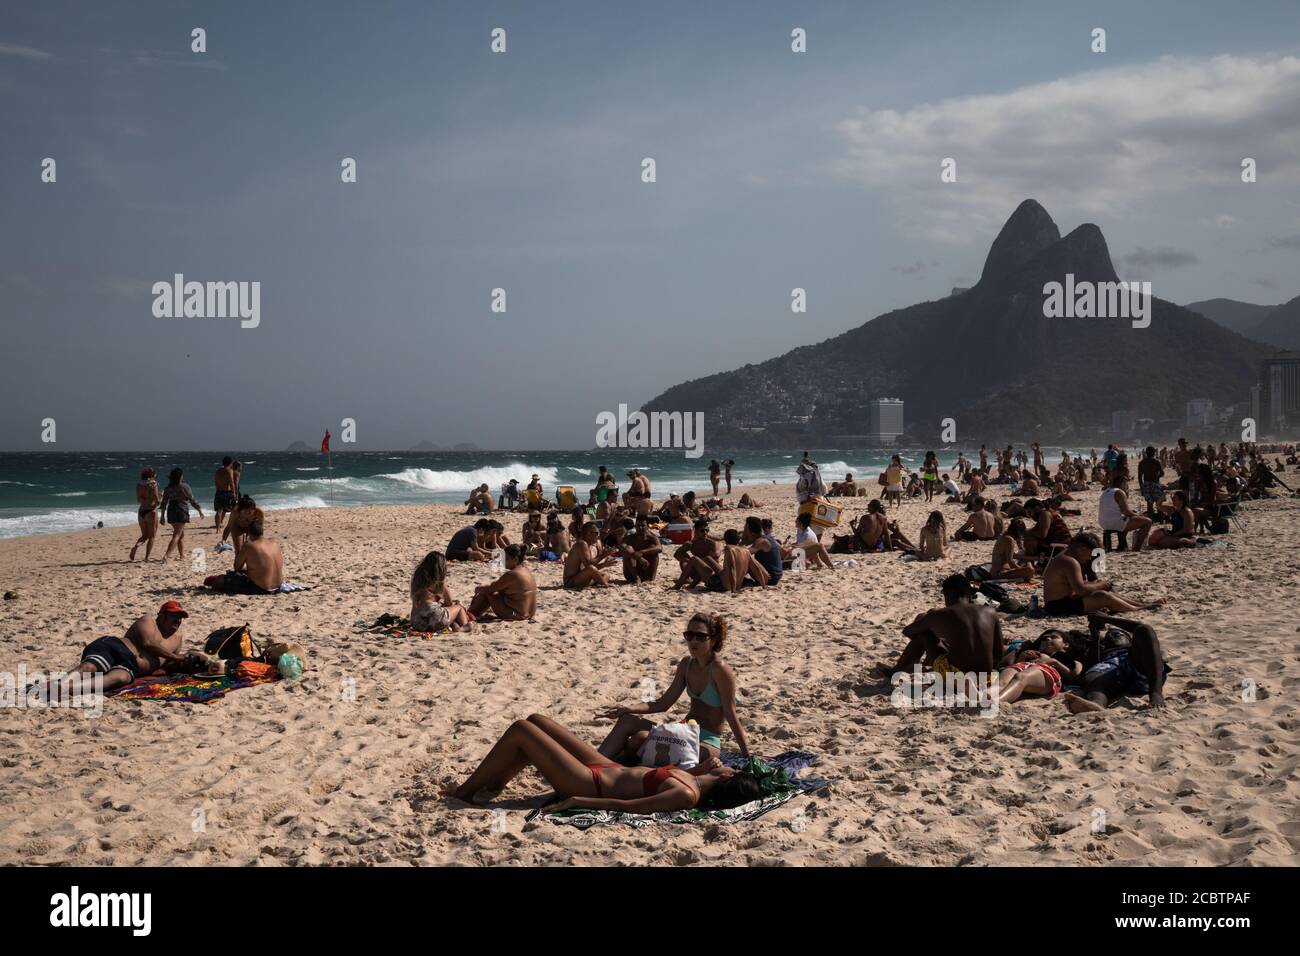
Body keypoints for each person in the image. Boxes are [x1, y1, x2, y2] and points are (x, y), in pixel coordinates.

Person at [451, 713, 762, 814]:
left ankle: (465, 793)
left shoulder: (687, 795)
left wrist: (575, 801)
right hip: (605, 767)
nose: (728, 764)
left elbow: (628, 806)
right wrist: (703, 767)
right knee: (537, 721)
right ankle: (496, 782)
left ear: (729, 778)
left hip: (591, 783)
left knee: (522, 730)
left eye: (732, 769)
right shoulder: (693, 779)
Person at [597, 612, 750, 766]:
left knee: (642, 739)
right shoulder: (686, 664)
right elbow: (663, 703)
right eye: (689, 635)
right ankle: (593, 763)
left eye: (700, 636)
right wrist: (628, 708)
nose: (693, 641)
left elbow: (731, 714)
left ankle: (618, 762)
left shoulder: (719, 669)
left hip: (707, 741)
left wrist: (747, 755)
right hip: (683, 730)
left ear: (713, 640)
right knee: (627, 721)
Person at [871, 574, 1002, 682]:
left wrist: (937, 640)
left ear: (946, 595)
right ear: (969, 594)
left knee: (923, 634)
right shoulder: (990, 612)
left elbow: (908, 631)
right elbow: (998, 654)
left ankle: (896, 671)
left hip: (956, 677)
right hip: (987, 677)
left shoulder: (941, 613)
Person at [68, 601, 201, 692]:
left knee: (120, 678)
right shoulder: (148, 621)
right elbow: (148, 644)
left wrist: (184, 664)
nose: (178, 620)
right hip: (116, 648)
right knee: (89, 667)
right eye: (174, 616)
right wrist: (175, 657)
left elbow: (169, 664)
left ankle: (68, 688)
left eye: (180, 617)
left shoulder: (177, 638)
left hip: (131, 665)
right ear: (161, 616)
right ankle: (59, 683)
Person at [1063, 612, 1170, 712]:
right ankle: (1096, 704)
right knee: (1092, 677)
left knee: (1146, 630)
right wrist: (1096, 637)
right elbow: (1089, 666)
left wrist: (1106, 618)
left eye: (1118, 634)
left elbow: (1142, 628)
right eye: (1108, 638)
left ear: (1130, 640)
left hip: (1136, 667)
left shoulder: (1135, 649)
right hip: (1110, 670)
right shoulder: (1104, 653)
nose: (1111, 636)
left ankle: (1156, 692)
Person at [1042, 532, 1165, 616]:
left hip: (1058, 602)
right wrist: (1101, 585)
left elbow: (1078, 586)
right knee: (1102, 595)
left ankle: (1141, 604)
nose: (1089, 559)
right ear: (1082, 549)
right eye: (1090, 555)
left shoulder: (1065, 556)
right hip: (1058, 607)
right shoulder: (1070, 561)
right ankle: (1138, 609)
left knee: (1104, 592)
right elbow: (1081, 590)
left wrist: (1097, 584)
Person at [206, 520, 283, 593]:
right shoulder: (274, 544)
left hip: (261, 588)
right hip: (278, 586)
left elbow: (237, 567)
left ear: (249, 533)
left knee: (219, 580)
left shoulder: (249, 546)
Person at [469, 544, 537, 621]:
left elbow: (491, 589)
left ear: (515, 559)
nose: (503, 561)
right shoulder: (525, 570)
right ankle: (472, 613)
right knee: (495, 592)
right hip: (530, 613)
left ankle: (470, 614)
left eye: (506, 559)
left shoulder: (513, 574)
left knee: (486, 592)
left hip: (516, 615)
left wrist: (478, 589)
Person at [409, 550, 472, 632]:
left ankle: (455, 626)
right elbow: (449, 602)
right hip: (435, 618)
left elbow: (415, 606)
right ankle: (465, 627)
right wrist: (454, 604)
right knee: (459, 608)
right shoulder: (439, 582)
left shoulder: (416, 581)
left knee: (445, 613)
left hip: (417, 621)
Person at [1098, 471, 1151, 551]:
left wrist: (1133, 514)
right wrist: (1138, 516)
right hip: (1114, 523)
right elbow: (1125, 511)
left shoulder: (1106, 491)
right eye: (1126, 484)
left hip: (1103, 523)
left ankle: (1122, 544)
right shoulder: (1119, 492)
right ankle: (1136, 548)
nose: (1127, 486)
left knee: (1127, 518)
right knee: (1147, 521)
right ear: (1122, 483)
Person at [159, 468, 203, 561]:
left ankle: (182, 555)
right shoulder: (184, 486)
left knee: (180, 534)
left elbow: (163, 503)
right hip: (181, 510)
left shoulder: (168, 488)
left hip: (171, 511)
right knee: (177, 535)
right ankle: (167, 555)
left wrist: (162, 516)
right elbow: (192, 500)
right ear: (180, 477)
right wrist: (199, 510)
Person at [563, 522, 617, 588]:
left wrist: (604, 564)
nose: (598, 535)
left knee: (606, 575)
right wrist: (603, 555)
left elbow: (588, 568)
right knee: (592, 569)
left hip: (580, 576)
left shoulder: (590, 545)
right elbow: (589, 565)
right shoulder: (582, 544)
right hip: (570, 582)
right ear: (588, 534)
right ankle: (605, 584)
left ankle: (594, 583)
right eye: (596, 533)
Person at [129, 467, 162, 562]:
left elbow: (139, 500)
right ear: (151, 476)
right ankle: (146, 558)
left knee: (144, 536)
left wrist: (146, 498)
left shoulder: (139, 485)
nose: (155, 477)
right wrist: (161, 497)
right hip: (151, 511)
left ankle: (136, 547)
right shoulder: (153, 484)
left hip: (141, 511)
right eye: (155, 475)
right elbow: (156, 500)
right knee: (152, 536)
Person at [741, 516, 782, 586]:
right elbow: (745, 542)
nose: (744, 531)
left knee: (747, 558)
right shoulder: (763, 537)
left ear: (752, 533)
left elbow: (744, 553)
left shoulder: (762, 541)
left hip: (771, 578)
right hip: (771, 575)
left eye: (745, 529)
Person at [621, 514, 663, 583]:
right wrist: (640, 558)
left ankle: (650, 579)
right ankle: (637, 578)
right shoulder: (629, 538)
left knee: (654, 551)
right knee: (628, 549)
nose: (640, 528)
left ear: (647, 526)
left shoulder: (652, 538)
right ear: (635, 526)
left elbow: (659, 548)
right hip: (631, 574)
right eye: (638, 525)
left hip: (647, 571)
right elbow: (622, 548)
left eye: (643, 525)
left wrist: (641, 552)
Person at [1137, 446, 1165, 517]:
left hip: (1146, 484)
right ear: (1154, 453)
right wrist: (1157, 476)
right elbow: (1162, 473)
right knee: (1158, 502)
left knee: (1149, 503)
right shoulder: (1156, 462)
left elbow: (1140, 476)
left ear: (1146, 453)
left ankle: (1151, 519)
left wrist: (1141, 487)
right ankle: (1161, 519)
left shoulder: (1142, 462)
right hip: (1155, 483)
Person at [213, 456, 237, 530]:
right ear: (230, 463)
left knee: (219, 511)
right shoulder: (229, 470)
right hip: (226, 493)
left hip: (218, 492)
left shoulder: (218, 471)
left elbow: (216, 482)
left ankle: (217, 528)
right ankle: (233, 524)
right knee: (234, 509)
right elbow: (231, 482)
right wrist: (234, 493)